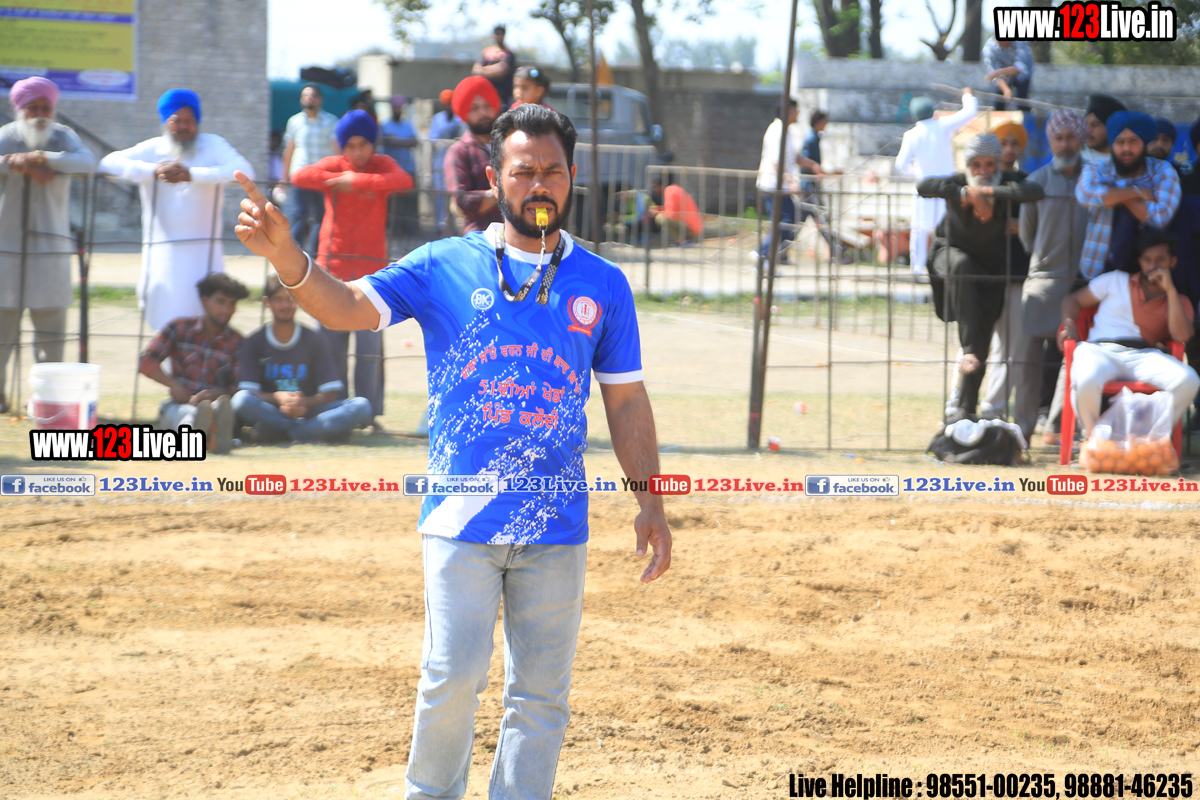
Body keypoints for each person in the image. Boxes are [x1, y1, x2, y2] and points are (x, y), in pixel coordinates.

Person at [232, 102, 672, 800]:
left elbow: (625, 401)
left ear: (572, 177)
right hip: (461, 520)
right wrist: (287, 257)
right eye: (523, 171)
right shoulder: (443, 264)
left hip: (557, 524)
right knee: (451, 678)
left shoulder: (604, 283)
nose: (539, 184)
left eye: (553, 171)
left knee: (541, 698)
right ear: (494, 178)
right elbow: (347, 307)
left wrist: (651, 501)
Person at [291, 110, 414, 432]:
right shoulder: (334, 165)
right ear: (342, 146)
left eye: (363, 145)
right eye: (351, 146)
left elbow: (404, 181)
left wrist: (356, 181)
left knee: (369, 348)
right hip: (333, 265)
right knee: (330, 343)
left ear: (373, 144)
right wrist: (339, 178)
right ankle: (333, 409)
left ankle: (368, 413)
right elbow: (299, 176)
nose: (358, 152)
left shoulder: (383, 165)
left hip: (372, 272)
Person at [99, 88, 254, 331]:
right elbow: (107, 164)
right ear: (165, 122)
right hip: (163, 257)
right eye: (176, 121)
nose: (183, 126)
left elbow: (245, 172)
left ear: (197, 122)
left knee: (205, 321)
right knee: (164, 320)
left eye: (189, 121)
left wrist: (193, 175)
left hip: (204, 255)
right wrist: (153, 171)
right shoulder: (153, 149)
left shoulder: (212, 145)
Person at [919, 133, 1044, 417]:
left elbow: (1034, 191)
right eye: (976, 165)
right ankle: (969, 350)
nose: (983, 171)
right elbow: (923, 186)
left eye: (990, 164)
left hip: (989, 272)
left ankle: (965, 411)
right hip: (949, 257)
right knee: (963, 266)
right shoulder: (957, 182)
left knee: (982, 340)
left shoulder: (1007, 182)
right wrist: (967, 195)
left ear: (998, 164)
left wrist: (989, 193)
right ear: (967, 165)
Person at [0, 77, 95, 414]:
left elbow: (87, 163)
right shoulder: (6, 136)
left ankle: (44, 399)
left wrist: (42, 159)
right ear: (20, 109)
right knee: (2, 330)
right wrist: (16, 164)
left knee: (51, 334)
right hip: (6, 250)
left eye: (46, 107)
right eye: (33, 107)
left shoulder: (62, 136)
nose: (40, 114)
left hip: (51, 249)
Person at [1060, 228, 1198, 437]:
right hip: (1100, 350)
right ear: (1140, 261)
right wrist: (1069, 324)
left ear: (1172, 262)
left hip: (1143, 355)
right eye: (1147, 260)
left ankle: (1146, 440)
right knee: (1087, 379)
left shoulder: (1179, 300)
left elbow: (1182, 337)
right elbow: (1072, 300)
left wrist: (1170, 291)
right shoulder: (1115, 280)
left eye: (1160, 260)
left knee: (1189, 381)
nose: (1153, 266)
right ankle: (1094, 439)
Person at [1011, 110, 1090, 442]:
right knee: (1027, 362)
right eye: (1058, 138)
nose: (1065, 144)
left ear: (1081, 139)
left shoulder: (1096, 179)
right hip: (1043, 280)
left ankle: (1057, 427)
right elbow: (1027, 237)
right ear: (1050, 142)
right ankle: (1022, 430)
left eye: (1071, 137)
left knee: (1076, 359)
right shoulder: (1037, 182)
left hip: (1084, 286)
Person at [232, 275, 372, 443]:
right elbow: (250, 392)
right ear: (267, 302)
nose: (285, 305)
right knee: (240, 400)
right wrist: (278, 398)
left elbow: (330, 393)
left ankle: (287, 433)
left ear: (298, 301)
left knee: (361, 406)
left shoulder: (314, 339)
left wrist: (303, 403)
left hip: (309, 412)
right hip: (272, 411)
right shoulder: (254, 341)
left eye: (290, 299)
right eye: (279, 300)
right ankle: (308, 432)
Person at [138, 273, 249, 454]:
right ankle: (207, 436)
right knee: (188, 415)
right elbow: (146, 361)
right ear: (205, 301)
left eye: (232, 304)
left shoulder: (238, 342)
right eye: (220, 302)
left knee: (215, 410)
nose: (226, 310)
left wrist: (216, 394)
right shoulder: (179, 328)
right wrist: (174, 384)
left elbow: (241, 387)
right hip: (179, 404)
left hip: (216, 404)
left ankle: (210, 433)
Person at [1076, 110, 1181, 282]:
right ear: (1112, 144)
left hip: (1147, 278)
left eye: (1133, 141)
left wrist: (1112, 194)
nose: (1126, 148)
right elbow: (1084, 195)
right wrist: (1137, 192)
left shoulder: (1162, 170)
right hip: (1096, 270)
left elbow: (1159, 217)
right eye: (1120, 142)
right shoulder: (1097, 168)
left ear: (1144, 143)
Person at [976, 119, 1033, 420]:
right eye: (1003, 144)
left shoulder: (1027, 184)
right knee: (974, 343)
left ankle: (993, 409)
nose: (1009, 149)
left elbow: (1031, 228)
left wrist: (1001, 224)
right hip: (982, 272)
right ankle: (959, 405)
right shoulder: (978, 181)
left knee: (1011, 347)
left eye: (1014, 143)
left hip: (1017, 273)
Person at [895, 88, 979, 275]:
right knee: (949, 227)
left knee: (920, 229)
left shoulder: (912, 134)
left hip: (924, 187)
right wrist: (967, 95)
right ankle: (948, 267)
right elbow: (970, 111)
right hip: (947, 188)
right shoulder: (943, 125)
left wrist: (916, 172)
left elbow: (900, 164)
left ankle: (917, 269)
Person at [756, 98, 825, 265]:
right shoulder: (777, 131)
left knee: (787, 220)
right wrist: (792, 182)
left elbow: (793, 157)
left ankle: (768, 257)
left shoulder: (785, 131)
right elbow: (776, 163)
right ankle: (763, 255)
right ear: (788, 112)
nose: (798, 114)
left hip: (780, 186)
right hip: (773, 186)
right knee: (785, 221)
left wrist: (813, 165)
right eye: (796, 110)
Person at [282, 84, 339, 254]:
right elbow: (289, 150)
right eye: (305, 96)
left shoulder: (331, 121)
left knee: (320, 217)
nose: (309, 99)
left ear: (319, 99)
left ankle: (314, 258)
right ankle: (295, 256)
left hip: (323, 176)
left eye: (312, 96)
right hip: (300, 174)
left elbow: (336, 150)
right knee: (297, 215)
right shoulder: (294, 121)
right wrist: (283, 178)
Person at [445, 76, 503, 233]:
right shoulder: (459, 152)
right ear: (464, 114)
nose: (483, 112)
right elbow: (462, 200)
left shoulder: (512, 144)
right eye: (474, 108)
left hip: (522, 239)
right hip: (481, 239)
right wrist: (500, 192)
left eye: (487, 105)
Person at [429, 89, 467, 235]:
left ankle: (456, 226)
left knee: (455, 193)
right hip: (440, 162)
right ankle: (441, 224)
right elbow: (433, 139)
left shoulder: (460, 119)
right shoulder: (437, 119)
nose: (449, 106)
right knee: (440, 194)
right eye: (446, 103)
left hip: (456, 163)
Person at [381, 95, 420, 237]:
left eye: (399, 107)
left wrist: (396, 141)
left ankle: (409, 230)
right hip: (391, 170)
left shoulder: (408, 125)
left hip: (408, 168)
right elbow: (386, 141)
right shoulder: (385, 125)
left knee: (408, 201)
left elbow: (414, 141)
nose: (397, 110)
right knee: (392, 202)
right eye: (395, 107)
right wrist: (403, 142)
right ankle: (393, 230)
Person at [982, 38, 1033, 111]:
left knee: (1022, 99)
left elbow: (1020, 68)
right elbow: (994, 76)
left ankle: (1027, 116)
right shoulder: (989, 48)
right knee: (998, 101)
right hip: (1002, 79)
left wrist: (997, 73)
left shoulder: (1021, 43)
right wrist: (1006, 90)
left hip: (1021, 76)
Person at [474, 24, 516, 109]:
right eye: (497, 34)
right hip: (485, 93)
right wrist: (494, 69)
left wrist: (484, 70)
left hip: (502, 96)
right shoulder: (487, 52)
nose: (499, 36)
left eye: (501, 34)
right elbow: (476, 70)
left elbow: (502, 71)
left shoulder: (508, 53)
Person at [1082, 94, 1126, 165]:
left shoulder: (1126, 160)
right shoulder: (1078, 159)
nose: (1088, 131)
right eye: (1086, 124)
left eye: (1095, 125)